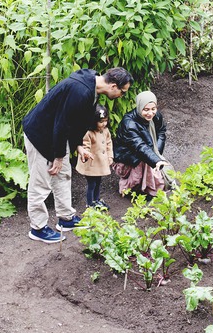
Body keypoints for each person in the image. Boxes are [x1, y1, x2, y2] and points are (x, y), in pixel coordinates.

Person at [22, 67, 132, 243]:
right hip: (40, 134)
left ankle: (66, 219)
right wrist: (58, 157)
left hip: (57, 135)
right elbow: (62, 123)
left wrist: (78, 146)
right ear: (113, 86)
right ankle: (38, 228)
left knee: (63, 174)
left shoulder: (92, 86)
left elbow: (75, 121)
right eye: (122, 91)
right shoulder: (80, 91)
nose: (122, 95)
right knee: (41, 182)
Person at [113, 90, 171, 198]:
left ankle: (148, 187)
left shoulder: (156, 116)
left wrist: (156, 153)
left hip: (145, 150)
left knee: (149, 160)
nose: (150, 113)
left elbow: (161, 132)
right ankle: (130, 189)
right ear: (140, 107)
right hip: (128, 156)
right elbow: (139, 146)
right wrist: (156, 160)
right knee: (144, 162)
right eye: (146, 109)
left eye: (153, 109)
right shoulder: (129, 123)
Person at [77, 103, 114, 210]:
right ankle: (90, 204)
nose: (104, 124)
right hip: (91, 164)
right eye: (101, 121)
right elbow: (85, 146)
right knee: (91, 184)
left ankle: (96, 200)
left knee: (98, 182)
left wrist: (110, 156)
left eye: (105, 121)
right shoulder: (89, 133)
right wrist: (86, 154)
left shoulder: (106, 131)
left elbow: (109, 143)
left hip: (101, 163)